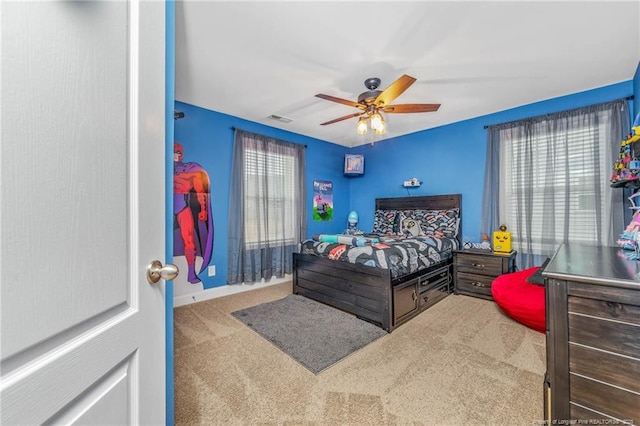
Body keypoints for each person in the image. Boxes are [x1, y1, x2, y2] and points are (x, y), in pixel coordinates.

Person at [174, 142, 213, 283]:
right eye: (173, 152)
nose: (176, 156)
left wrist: (203, 209)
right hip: (163, 208)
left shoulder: (191, 170)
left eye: (178, 153)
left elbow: (201, 192)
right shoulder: (160, 167)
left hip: (182, 206)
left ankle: (191, 274)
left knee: (189, 240)